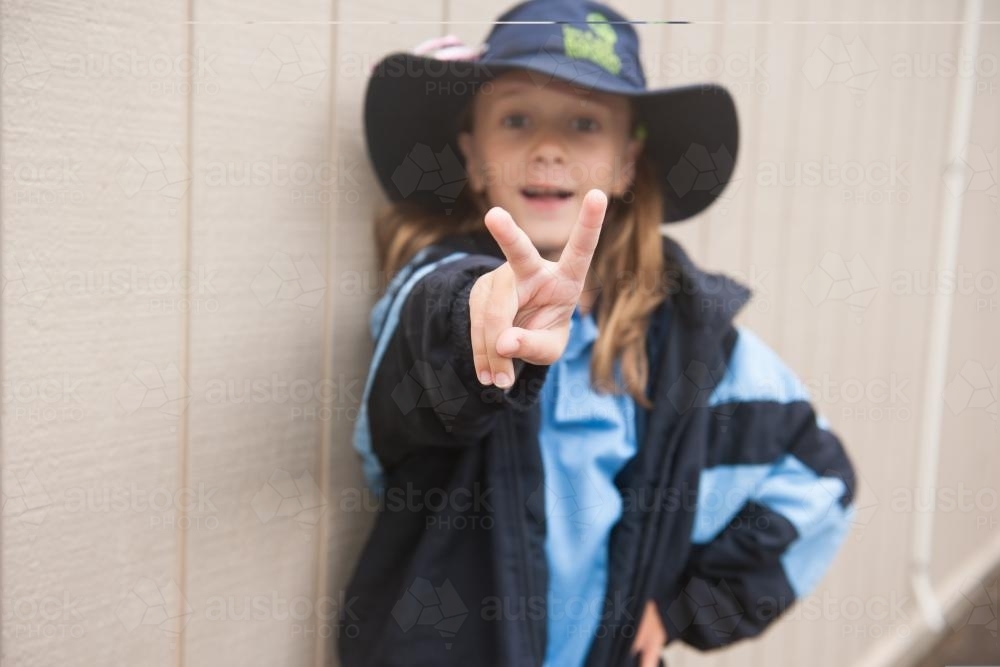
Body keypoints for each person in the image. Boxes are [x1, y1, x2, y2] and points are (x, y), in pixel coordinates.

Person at [339, 1, 858, 666]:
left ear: (625, 162)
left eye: (584, 122)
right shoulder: (435, 287)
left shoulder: (684, 341)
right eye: (516, 118)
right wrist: (486, 310)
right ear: (472, 154)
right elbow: (431, 338)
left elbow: (819, 476)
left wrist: (685, 605)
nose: (548, 146)